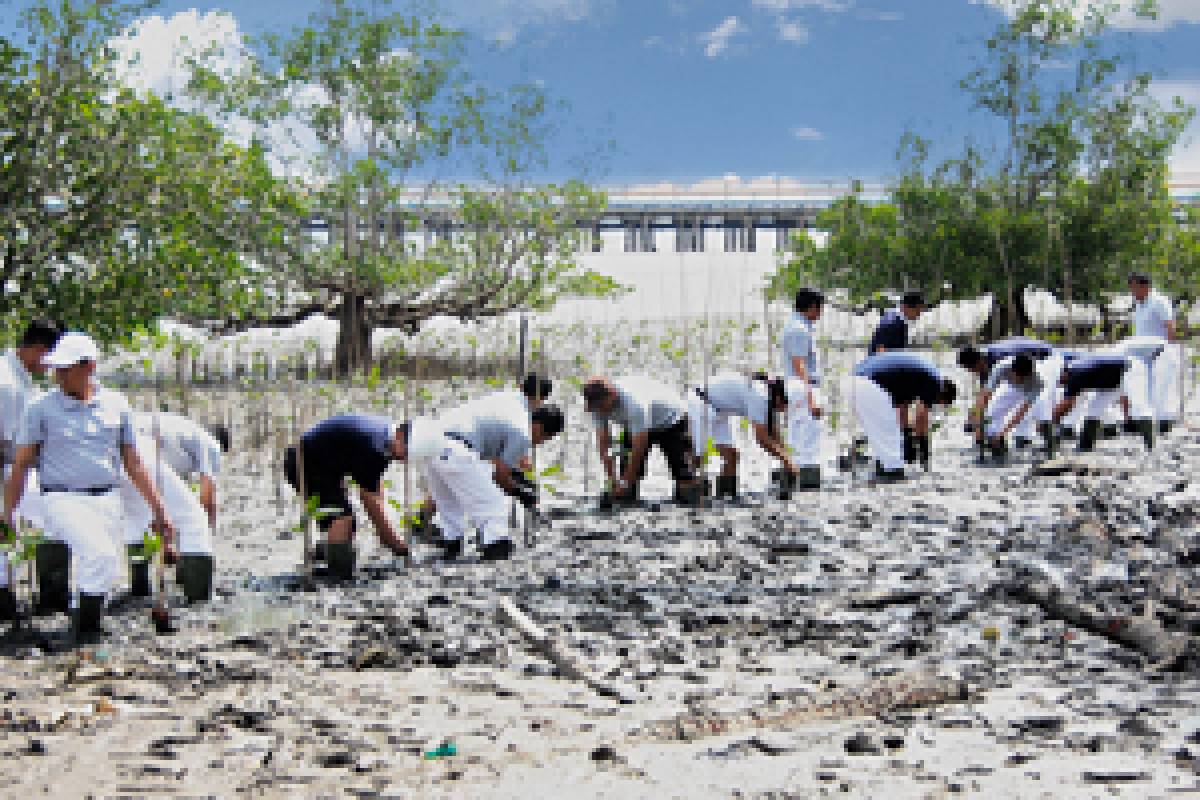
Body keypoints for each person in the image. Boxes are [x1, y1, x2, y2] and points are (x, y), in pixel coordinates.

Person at [3, 332, 176, 643]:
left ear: (89, 367)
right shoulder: (40, 408)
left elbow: (133, 463)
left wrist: (159, 509)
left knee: (104, 565)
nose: (59, 375)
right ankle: (88, 630)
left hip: (107, 496)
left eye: (66, 369)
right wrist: (8, 512)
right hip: (61, 496)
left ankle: (82, 619)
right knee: (99, 554)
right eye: (57, 369)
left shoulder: (116, 405)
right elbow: (21, 464)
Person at [432, 394, 565, 561]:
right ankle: (496, 548)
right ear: (538, 426)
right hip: (456, 449)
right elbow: (500, 477)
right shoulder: (523, 432)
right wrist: (523, 495)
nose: (541, 442)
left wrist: (517, 477)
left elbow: (488, 461)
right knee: (494, 507)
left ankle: (451, 546)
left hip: (432, 445)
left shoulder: (513, 412)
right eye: (546, 438)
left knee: (450, 506)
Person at [284, 414, 411, 579]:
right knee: (342, 519)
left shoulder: (385, 434)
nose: (405, 459)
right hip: (303, 464)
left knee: (343, 520)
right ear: (400, 435)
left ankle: (323, 558)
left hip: (323, 465)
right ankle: (338, 577)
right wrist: (395, 544)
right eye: (406, 452)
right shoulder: (374, 447)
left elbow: (374, 484)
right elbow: (369, 500)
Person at [120, 412, 228, 604]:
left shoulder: (179, 432)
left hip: (110, 452)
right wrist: (203, 545)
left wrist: (168, 544)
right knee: (194, 521)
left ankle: (139, 588)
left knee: (137, 519)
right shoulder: (210, 443)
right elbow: (207, 499)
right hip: (136, 451)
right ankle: (199, 597)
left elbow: (159, 502)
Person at [1, 318, 63, 622]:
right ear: (38, 350)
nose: (53, 367)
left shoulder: (18, 378)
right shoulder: (7, 385)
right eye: (52, 359)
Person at [583, 376, 703, 506]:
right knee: (626, 479)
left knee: (684, 476)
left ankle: (692, 505)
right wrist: (613, 480)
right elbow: (604, 444)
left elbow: (638, 449)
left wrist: (625, 483)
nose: (600, 410)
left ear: (612, 395)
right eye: (596, 407)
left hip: (672, 420)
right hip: (637, 425)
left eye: (601, 406)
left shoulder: (634, 405)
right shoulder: (595, 405)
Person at [688, 372, 798, 499]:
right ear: (778, 397)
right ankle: (687, 493)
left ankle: (725, 498)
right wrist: (787, 461)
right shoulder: (760, 396)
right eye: (785, 406)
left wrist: (787, 458)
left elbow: (773, 431)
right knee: (697, 457)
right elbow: (761, 439)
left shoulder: (769, 395)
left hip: (719, 410)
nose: (784, 410)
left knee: (732, 456)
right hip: (699, 404)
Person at [851, 351, 957, 481]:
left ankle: (880, 464)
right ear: (944, 393)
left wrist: (906, 435)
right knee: (888, 430)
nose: (934, 404)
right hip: (867, 384)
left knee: (883, 429)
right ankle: (890, 471)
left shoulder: (912, 381)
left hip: (854, 381)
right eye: (939, 403)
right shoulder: (935, 382)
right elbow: (921, 415)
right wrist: (923, 447)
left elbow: (902, 411)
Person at [958, 338, 1059, 457]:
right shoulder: (999, 368)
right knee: (995, 410)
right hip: (1023, 364)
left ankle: (1049, 447)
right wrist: (975, 420)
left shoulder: (1038, 380)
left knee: (1039, 409)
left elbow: (1022, 410)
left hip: (1047, 358)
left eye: (970, 369)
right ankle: (996, 442)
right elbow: (984, 396)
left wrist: (1003, 432)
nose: (971, 372)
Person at [1050, 353, 1154, 451]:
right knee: (1093, 409)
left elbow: (1068, 404)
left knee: (1139, 408)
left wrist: (1049, 421)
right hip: (1112, 380)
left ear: (1063, 373)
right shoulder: (1075, 368)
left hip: (1131, 369)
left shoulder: (1075, 376)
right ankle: (1085, 446)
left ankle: (1151, 445)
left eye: (1058, 381)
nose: (1060, 384)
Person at [780, 288, 824, 489]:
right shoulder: (798, 328)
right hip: (802, 384)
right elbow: (800, 364)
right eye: (819, 308)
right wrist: (811, 397)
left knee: (800, 431)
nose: (820, 313)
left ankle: (797, 471)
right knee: (807, 430)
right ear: (812, 307)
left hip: (799, 384)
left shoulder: (796, 325)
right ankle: (804, 473)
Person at [1128, 272, 1179, 433]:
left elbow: (1170, 326)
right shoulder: (1139, 304)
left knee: (1163, 387)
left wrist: (1167, 350)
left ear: (1144, 286)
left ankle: (1165, 423)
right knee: (1145, 388)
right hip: (1143, 354)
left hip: (1161, 351)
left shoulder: (1159, 301)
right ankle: (1147, 422)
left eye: (1134, 288)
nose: (1133, 292)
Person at [868, 291, 926, 355]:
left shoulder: (901, 320)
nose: (918, 315)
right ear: (906, 307)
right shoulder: (893, 320)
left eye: (920, 312)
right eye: (917, 311)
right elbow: (880, 346)